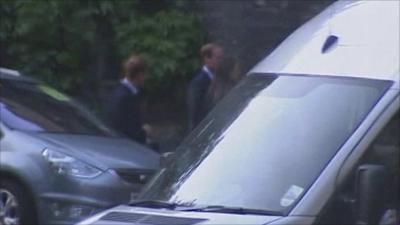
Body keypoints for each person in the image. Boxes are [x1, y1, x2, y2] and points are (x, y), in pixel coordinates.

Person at [107, 55, 148, 143]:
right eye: (145, 75)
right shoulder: (126, 97)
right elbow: (127, 127)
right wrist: (144, 131)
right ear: (140, 75)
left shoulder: (117, 91)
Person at [187, 43, 224, 131]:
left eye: (222, 58)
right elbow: (195, 110)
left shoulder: (221, 77)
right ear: (207, 59)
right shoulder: (199, 82)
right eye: (218, 58)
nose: (221, 61)